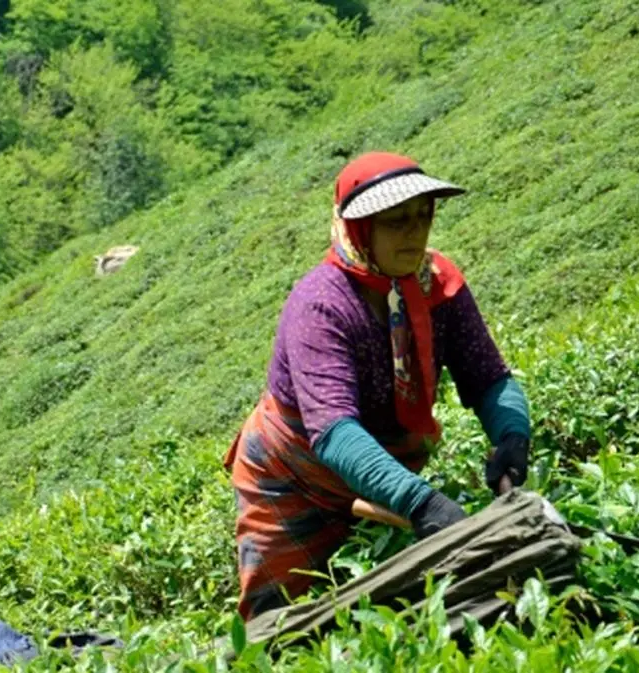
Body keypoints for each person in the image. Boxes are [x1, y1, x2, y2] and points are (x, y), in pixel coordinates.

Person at [222, 151, 532, 620]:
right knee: (279, 620)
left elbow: (487, 376)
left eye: (422, 216)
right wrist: (420, 501)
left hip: (383, 465)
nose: (414, 233)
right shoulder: (322, 305)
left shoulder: (438, 282)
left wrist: (512, 435)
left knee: (404, 602)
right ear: (360, 229)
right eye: (395, 221)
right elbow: (335, 431)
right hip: (294, 476)